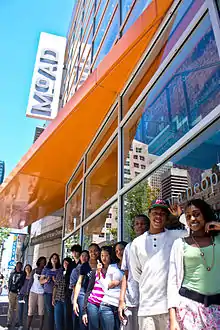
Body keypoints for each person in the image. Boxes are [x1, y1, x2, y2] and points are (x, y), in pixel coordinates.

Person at [130, 199, 188, 330]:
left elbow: (193, 232)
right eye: (155, 212)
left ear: (167, 217)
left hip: (171, 307)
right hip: (147, 309)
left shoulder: (175, 236)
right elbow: (137, 274)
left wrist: (181, 216)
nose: (158, 216)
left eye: (162, 213)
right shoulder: (137, 243)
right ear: (149, 214)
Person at [168, 199, 220, 330]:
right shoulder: (180, 244)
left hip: (217, 309)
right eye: (188, 216)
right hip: (189, 307)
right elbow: (172, 282)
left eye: (196, 214)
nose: (192, 219)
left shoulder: (218, 239)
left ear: (205, 215)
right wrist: (172, 319)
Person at [119, 214, 150, 330]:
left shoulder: (153, 245)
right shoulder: (129, 247)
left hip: (149, 299)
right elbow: (125, 275)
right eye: (137, 224)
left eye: (143, 223)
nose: (140, 226)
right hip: (132, 298)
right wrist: (121, 300)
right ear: (133, 227)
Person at [82, 246, 112, 329]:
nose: (104, 258)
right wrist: (84, 311)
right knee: (94, 327)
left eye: (106, 255)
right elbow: (89, 290)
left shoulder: (114, 269)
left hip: (107, 304)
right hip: (93, 303)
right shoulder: (95, 271)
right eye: (102, 255)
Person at [99, 241, 127, 330]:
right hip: (108, 304)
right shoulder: (112, 267)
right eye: (116, 251)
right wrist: (111, 283)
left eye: (121, 249)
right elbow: (107, 285)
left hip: (123, 306)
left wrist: (118, 282)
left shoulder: (132, 266)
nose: (119, 252)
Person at [73, 243, 100, 330]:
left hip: (99, 296)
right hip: (85, 294)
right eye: (91, 251)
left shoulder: (102, 263)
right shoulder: (84, 266)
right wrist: (74, 301)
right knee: (84, 321)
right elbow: (79, 283)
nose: (93, 253)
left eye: (95, 250)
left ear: (99, 252)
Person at [40, 253, 62, 330]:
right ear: (50, 259)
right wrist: (46, 280)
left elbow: (61, 281)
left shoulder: (60, 269)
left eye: (56, 258)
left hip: (58, 294)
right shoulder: (46, 269)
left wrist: (55, 280)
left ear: (58, 260)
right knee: (50, 313)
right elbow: (41, 281)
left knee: (57, 314)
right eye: (53, 258)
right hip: (48, 293)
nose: (54, 259)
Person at [70, 250, 89, 329]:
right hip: (79, 296)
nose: (84, 258)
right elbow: (73, 286)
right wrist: (75, 300)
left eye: (86, 256)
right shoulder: (76, 270)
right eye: (82, 256)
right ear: (80, 258)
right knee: (80, 320)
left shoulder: (91, 268)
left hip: (90, 296)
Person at [53, 257, 74, 330]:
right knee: (58, 320)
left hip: (66, 299)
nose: (66, 264)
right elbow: (55, 286)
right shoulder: (60, 272)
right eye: (64, 262)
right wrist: (53, 298)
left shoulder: (72, 272)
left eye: (67, 263)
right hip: (58, 298)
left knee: (66, 320)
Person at [27, 256, 47, 330]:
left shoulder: (45, 270)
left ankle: (40, 328)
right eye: (41, 261)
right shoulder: (34, 270)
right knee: (30, 310)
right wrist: (27, 292)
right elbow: (30, 282)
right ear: (38, 262)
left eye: (44, 261)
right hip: (33, 292)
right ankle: (28, 327)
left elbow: (46, 282)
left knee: (41, 311)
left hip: (41, 293)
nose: (42, 263)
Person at [7, 262, 25, 329]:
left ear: (21, 266)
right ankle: (9, 322)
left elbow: (23, 283)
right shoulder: (12, 273)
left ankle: (17, 322)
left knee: (18, 308)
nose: (18, 267)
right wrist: (9, 291)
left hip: (19, 293)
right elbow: (10, 281)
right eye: (17, 265)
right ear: (16, 266)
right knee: (10, 308)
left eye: (20, 265)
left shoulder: (23, 274)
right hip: (12, 292)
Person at [18, 264, 32, 330]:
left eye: (29, 268)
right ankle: (20, 324)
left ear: (30, 269)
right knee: (20, 310)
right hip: (21, 295)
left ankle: (28, 325)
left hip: (28, 295)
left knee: (27, 311)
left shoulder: (32, 277)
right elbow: (19, 284)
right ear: (24, 269)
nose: (27, 269)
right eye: (26, 268)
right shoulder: (22, 276)